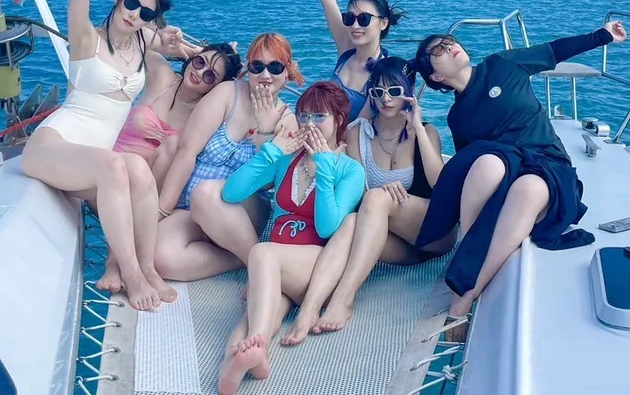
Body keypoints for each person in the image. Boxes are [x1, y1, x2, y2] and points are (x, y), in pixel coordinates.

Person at [410, 21, 628, 340]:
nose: (451, 46)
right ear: (436, 77)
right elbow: (465, 175)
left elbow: (553, 51)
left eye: (450, 40)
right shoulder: (458, 117)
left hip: (548, 165)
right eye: (438, 50)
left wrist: (603, 35)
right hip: (503, 174)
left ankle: (465, 295)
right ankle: (468, 259)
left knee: (525, 187)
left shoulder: (501, 65)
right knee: (484, 163)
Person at [21, 0, 180, 311]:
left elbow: (174, 44)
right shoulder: (86, 39)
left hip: (90, 160)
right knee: (114, 165)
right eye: (131, 4)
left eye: (146, 12)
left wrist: (209, 54)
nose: (135, 14)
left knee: (140, 172)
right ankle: (132, 276)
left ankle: (147, 268)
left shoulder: (144, 43)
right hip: (53, 146)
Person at [202, 81, 365, 395]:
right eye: (303, 116)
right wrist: (273, 151)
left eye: (319, 117)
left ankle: (257, 345)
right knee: (249, 319)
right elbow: (231, 192)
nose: (309, 124)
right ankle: (239, 363)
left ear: (338, 120)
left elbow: (329, 228)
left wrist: (324, 167)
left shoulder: (350, 170)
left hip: (315, 266)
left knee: (263, 254)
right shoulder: (288, 158)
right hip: (279, 268)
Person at [280, 56, 453, 345]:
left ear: (408, 92)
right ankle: (309, 308)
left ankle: (343, 300)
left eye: (395, 91)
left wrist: (418, 129)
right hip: (399, 247)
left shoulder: (427, 131)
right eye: (378, 92)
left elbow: (440, 185)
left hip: (433, 233)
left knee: (376, 198)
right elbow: (356, 195)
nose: (386, 99)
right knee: (352, 220)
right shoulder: (358, 133)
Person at [152, 33, 301, 283]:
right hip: (191, 208)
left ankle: (260, 271)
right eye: (257, 66)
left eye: (275, 67)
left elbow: (267, 184)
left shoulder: (287, 120)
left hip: (242, 212)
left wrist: (265, 132)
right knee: (162, 258)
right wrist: (163, 211)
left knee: (206, 194)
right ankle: (242, 259)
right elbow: (187, 151)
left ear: (287, 72)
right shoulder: (227, 93)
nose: (265, 75)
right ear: (248, 68)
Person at [96, 43, 241, 294]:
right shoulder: (163, 77)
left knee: (173, 146)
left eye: (210, 75)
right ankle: (118, 264)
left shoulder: (206, 112)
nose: (199, 73)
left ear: (216, 86)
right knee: (133, 178)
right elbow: (131, 43)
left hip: (149, 186)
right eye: (200, 62)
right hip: (112, 172)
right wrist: (179, 50)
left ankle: (123, 264)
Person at [295, 0, 405, 118]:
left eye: (364, 19)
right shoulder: (346, 50)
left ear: (383, 23)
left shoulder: (385, 72)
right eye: (349, 18)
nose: (355, 26)